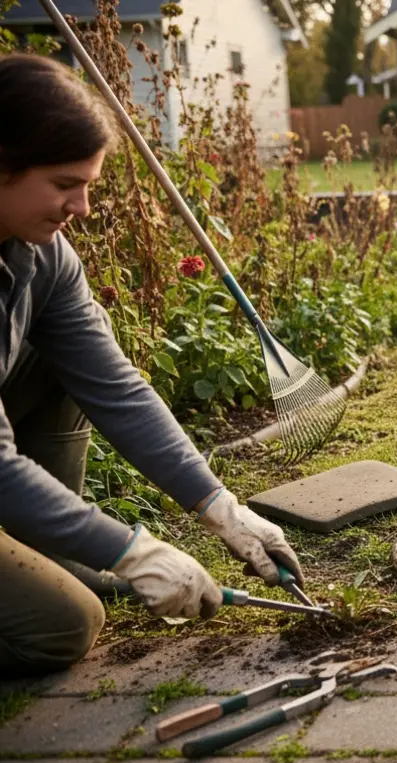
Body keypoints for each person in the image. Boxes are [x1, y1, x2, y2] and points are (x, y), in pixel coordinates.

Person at [0, 53, 304, 677]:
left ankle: (45, 550)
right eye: (64, 185)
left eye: (88, 184)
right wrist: (130, 550)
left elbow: (116, 388)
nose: (81, 208)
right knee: (64, 626)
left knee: (62, 364)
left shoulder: (42, 255)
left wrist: (222, 508)